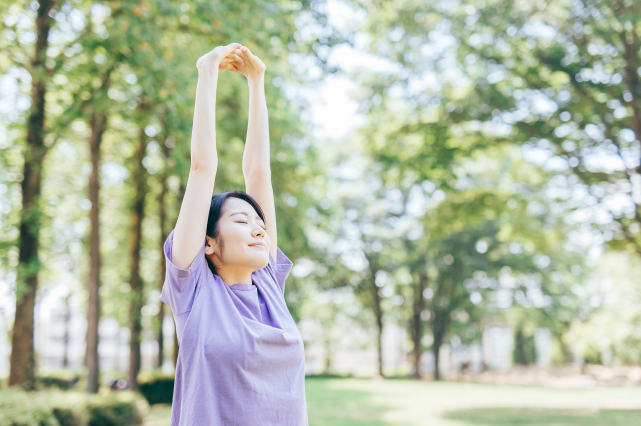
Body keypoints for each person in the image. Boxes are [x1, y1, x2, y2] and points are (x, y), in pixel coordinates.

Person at [160, 43, 308, 425]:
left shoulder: (269, 285)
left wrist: (257, 82)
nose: (259, 229)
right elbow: (201, 168)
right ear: (207, 243)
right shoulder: (194, 292)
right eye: (241, 222)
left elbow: (259, 174)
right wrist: (207, 70)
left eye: (259, 223)